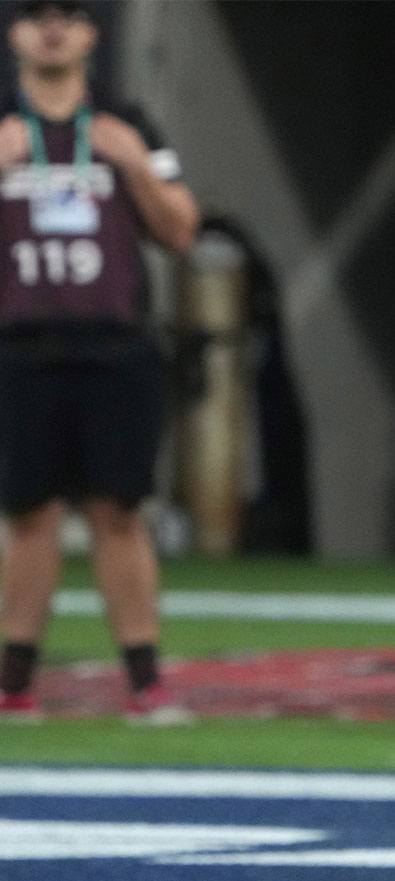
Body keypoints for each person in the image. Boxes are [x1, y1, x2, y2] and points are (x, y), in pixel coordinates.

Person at [0, 0, 198, 723]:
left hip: (116, 345)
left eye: (68, 14)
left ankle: (145, 679)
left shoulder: (127, 122)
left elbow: (181, 229)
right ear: (15, 32)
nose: (52, 27)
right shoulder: (4, 127)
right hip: (21, 345)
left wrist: (134, 166)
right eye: (35, 14)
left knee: (120, 510)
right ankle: (14, 676)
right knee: (27, 512)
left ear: (90, 33)